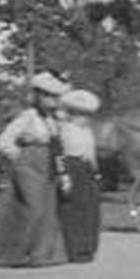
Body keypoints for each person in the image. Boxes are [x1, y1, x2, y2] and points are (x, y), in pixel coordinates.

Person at [0, 71, 69, 267]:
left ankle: (41, 254)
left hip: (49, 163)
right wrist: (20, 157)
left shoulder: (54, 120)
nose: (51, 99)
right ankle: (15, 254)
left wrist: (62, 172)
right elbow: (4, 141)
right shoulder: (28, 116)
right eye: (47, 95)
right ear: (38, 96)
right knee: (33, 207)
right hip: (29, 164)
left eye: (54, 96)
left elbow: (58, 147)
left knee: (48, 208)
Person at [57, 88, 101, 263]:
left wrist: (96, 171)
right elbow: (59, 154)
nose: (85, 119)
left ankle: (87, 248)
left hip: (86, 170)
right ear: (71, 114)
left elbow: (91, 153)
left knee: (90, 210)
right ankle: (73, 249)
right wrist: (63, 175)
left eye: (87, 115)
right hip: (71, 168)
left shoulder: (87, 132)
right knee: (73, 210)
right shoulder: (64, 130)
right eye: (80, 115)